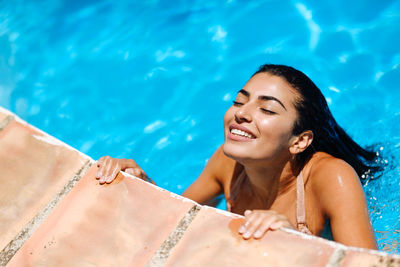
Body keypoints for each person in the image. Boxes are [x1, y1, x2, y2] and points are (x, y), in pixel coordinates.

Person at [96, 64, 379, 249]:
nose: (241, 113)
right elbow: (177, 219)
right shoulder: (227, 161)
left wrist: (296, 243)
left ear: (299, 141)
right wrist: (141, 186)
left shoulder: (332, 178)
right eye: (239, 101)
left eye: (267, 110)